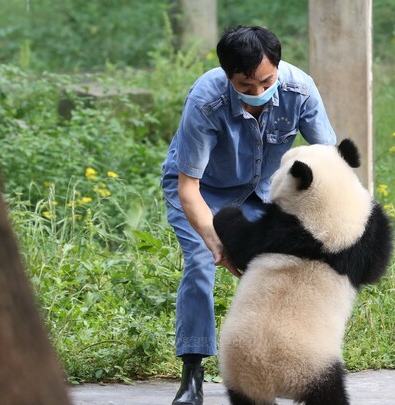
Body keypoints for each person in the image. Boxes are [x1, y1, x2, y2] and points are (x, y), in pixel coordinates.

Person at [160, 25, 337, 405]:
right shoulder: (206, 100)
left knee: (286, 266)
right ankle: (192, 374)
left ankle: (284, 362)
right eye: (245, 85)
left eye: (266, 81)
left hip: (260, 191)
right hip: (203, 191)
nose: (258, 92)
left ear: (277, 65)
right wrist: (216, 242)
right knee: (200, 263)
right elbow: (187, 187)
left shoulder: (300, 89)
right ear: (228, 76)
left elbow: (328, 160)